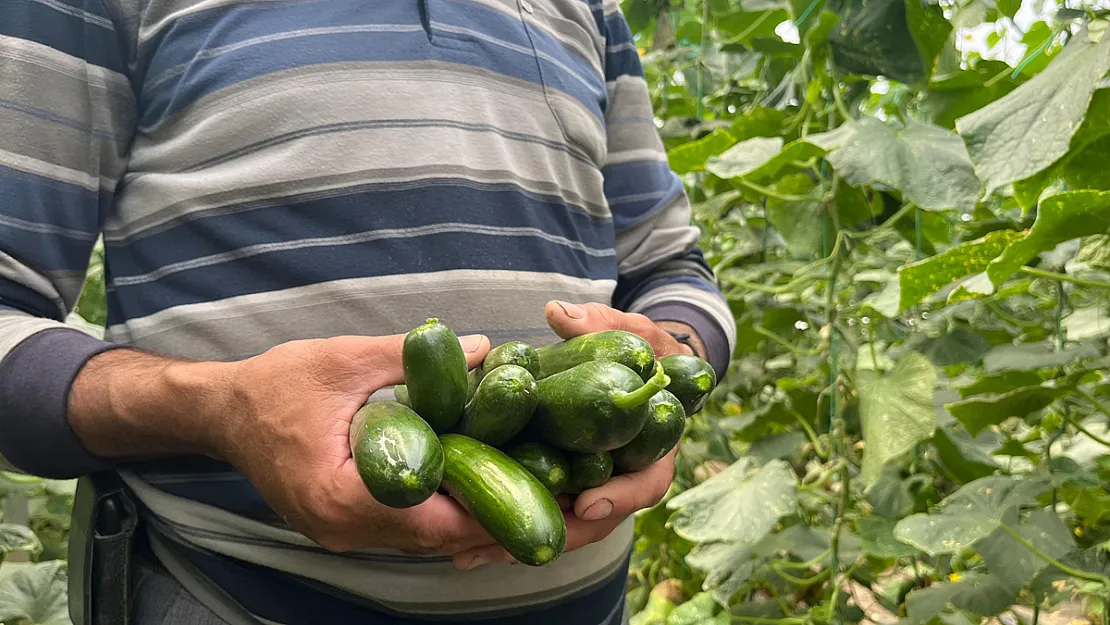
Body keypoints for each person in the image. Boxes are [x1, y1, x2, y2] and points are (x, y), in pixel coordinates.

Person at [0, 0, 737, 622]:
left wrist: (672, 355)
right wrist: (220, 410)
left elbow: (672, 268)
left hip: (590, 602)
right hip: (224, 595)